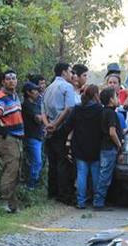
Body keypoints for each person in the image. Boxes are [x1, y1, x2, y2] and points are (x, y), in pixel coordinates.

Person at [64, 84, 104, 209]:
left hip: (80, 146)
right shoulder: (99, 109)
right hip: (96, 146)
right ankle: (97, 201)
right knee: (96, 174)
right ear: (96, 95)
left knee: (81, 174)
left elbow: (68, 125)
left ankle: (81, 201)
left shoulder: (77, 109)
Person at [43, 62, 76, 204]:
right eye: (70, 71)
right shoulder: (67, 87)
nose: (72, 75)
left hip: (49, 129)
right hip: (62, 128)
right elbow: (69, 109)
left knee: (53, 161)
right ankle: (63, 195)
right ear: (63, 72)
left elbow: (42, 111)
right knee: (63, 162)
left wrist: (48, 125)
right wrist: (56, 124)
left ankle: (52, 192)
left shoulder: (48, 88)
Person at [0, 69, 24, 213]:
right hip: (7, 138)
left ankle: (13, 205)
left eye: (14, 78)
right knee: (11, 169)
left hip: (17, 138)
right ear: (3, 81)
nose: (12, 81)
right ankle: (4, 202)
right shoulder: (1, 97)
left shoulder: (15, 96)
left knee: (16, 170)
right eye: (8, 79)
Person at [94, 87, 124, 210]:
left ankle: (102, 200)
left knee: (104, 174)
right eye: (116, 96)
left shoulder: (102, 112)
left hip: (103, 147)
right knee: (105, 176)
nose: (118, 99)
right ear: (111, 100)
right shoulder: (111, 113)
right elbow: (112, 132)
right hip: (109, 148)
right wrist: (119, 144)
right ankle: (99, 202)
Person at [21, 81, 45, 189]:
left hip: (37, 136)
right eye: (34, 90)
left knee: (37, 161)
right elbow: (39, 119)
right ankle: (31, 186)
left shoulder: (35, 104)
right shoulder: (27, 105)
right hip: (31, 137)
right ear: (28, 92)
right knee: (37, 161)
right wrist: (45, 117)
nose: (37, 92)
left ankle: (33, 184)